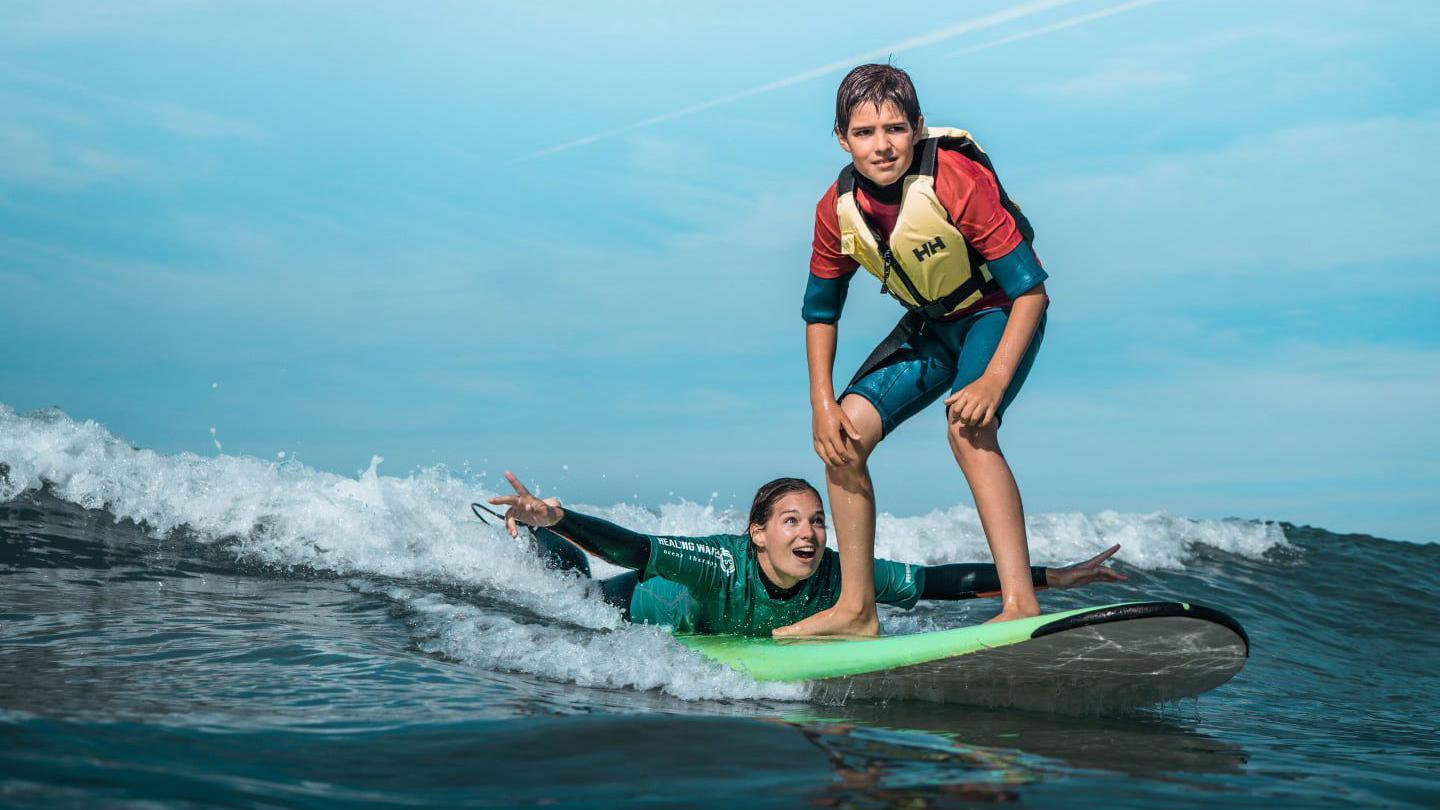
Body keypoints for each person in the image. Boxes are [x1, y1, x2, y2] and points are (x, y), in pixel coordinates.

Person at [781, 63, 1052, 638]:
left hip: (996, 311)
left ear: (917, 127)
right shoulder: (837, 207)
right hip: (930, 324)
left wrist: (992, 382)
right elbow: (819, 312)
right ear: (841, 138)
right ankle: (857, 611)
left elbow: (1031, 292)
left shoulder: (954, 180)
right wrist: (822, 403)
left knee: (968, 428)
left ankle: (1021, 603)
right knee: (843, 441)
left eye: (895, 129)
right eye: (864, 133)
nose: (881, 146)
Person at [486, 471, 1125, 637]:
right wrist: (561, 518)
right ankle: (534, 533)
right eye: (791, 520)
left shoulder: (842, 577)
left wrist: (1051, 577)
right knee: (575, 590)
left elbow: (937, 582)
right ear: (758, 532)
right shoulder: (723, 562)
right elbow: (635, 547)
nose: (811, 532)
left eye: (818, 520)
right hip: (636, 605)